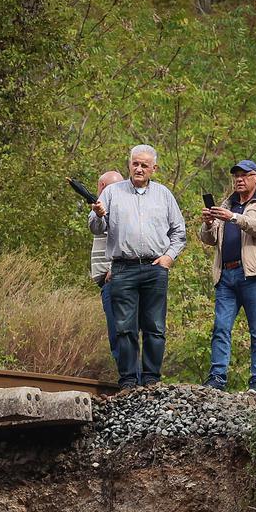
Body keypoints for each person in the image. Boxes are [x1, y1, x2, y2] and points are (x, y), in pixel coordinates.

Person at [87, 145, 186, 388]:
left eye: (144, 165)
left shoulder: (164, 195)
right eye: (135, 164)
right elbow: (95, 228)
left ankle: (152, 379)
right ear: (129, 164)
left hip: (155, 268)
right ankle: (129, 380)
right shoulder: (112, 193)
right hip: (123, 268)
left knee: (155, 327)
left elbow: (179, 231)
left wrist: (168, 258)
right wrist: (98, 215)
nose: (139, 168)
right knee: (124, 328)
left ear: (154, 168)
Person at [198, 159, 256, 393]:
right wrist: (208, 223)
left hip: (252, 275)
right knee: (221, 328)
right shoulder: (227, 203)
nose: (239, 180)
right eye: (236, 176)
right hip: (226, 274)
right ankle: (217, 378)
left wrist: (233, 217)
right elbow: (208, 239)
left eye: (245, 175)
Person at [88, 169, 125, 372]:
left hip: (116, 278)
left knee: (121, 333)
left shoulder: (120, 208)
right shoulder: (103, 208)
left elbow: (126, 241)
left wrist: (114, 268)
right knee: (117, 333)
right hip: (107, 280)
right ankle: (130, 379)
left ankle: (133, 380)